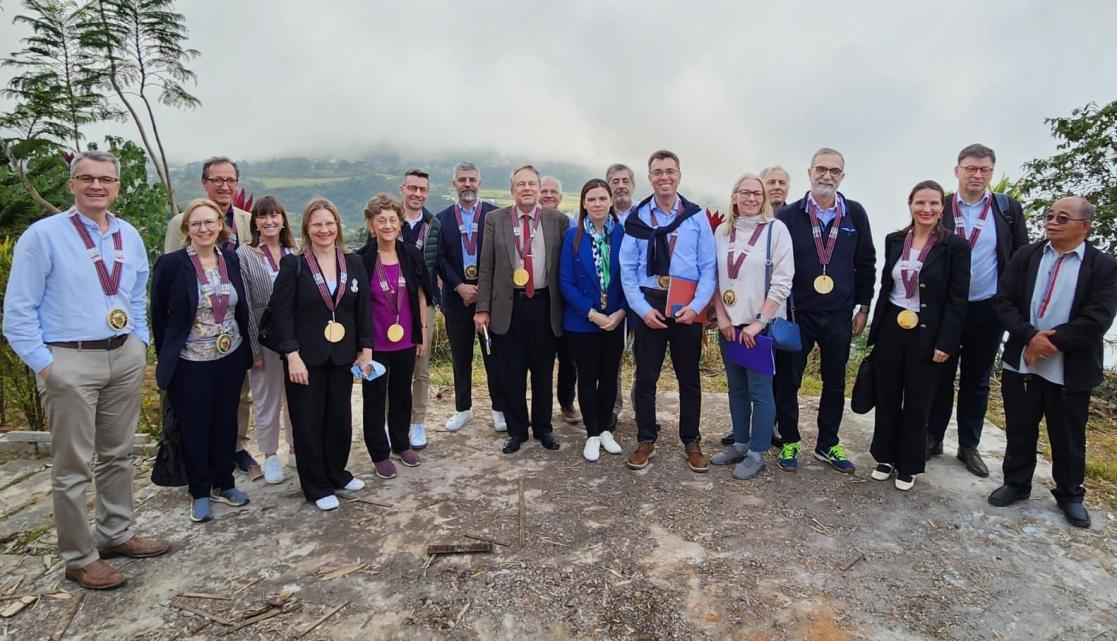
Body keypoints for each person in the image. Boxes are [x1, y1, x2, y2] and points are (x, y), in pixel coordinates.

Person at [3, 150, 169, 590]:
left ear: (117, 185)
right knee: (73, 464)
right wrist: (46, 366)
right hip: (68, 359)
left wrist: (139, 341)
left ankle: (116, 534)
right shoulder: (44, 236)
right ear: (72, 184)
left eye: (106, 179)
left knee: (117, 453)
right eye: (87, 178)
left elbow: (135, 293)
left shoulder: (128, 235)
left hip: (122, 355)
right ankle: (79, 556)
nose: (97, 186)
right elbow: (18, 311)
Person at [989, 197, 1117, 528]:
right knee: (1019, 427)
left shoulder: (1103, 266)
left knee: (1068, 435)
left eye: (1063, 218)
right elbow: (1003, 301)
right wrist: (1030, 336)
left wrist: (1050, 342)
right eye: (1050, 216)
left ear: (1085, 226)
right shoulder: (1027, 254)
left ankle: (1070, 494)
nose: (1053, 222)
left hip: (1069, 368)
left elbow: (1097, 318)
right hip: (1023, 362)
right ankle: (1016, 483)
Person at [927, 144, 1029, 477]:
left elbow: (1021, 258)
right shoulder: (937, 206)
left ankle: (968, 446)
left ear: (991, 173)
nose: (977, 175)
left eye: (984, 170)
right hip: (945, 308)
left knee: (977, 379)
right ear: (957, 170)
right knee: (939, 375)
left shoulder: (1007, 209)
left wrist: (1013, 306)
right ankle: (932, 438)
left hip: (988, 306)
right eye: (971, 168)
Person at [267, 198, 374, 511]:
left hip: (343, 356)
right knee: (308, 421)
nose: (324, 229)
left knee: (339, 417)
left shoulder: (352, 263)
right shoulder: (294, 265)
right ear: (306, 229)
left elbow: (363, 308)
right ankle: (316, 486)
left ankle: (337, 473)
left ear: (337, 226)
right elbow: (282, 314)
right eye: (317, 224)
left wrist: (365, 349)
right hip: (306, 357)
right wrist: (292, 355)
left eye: (329, 223)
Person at [774, 147, 876, 473]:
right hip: (796, 313)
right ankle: (789, 439)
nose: (827, 176)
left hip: (839, 314)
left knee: (834, 382)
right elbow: (774, 265)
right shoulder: (788, 215)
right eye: (821, 169)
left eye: (834, 171)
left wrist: (863, 307)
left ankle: (827, 442)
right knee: (788, 380)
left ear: (842, 176)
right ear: (809, 172)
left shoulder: (855, 214)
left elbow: (866, 263)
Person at [152, 198, 254, 521]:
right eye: (196, 224)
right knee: (196, 426)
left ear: (220, 226)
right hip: (190, 361)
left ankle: (224, 482)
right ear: (186, 229)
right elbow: (159, 316)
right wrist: (166, 357)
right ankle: (199, 490)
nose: (204, 229)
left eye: (210, 222)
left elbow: (240, 306)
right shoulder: (171, 265)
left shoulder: (231, 260)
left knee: (225, 422)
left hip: (229, 355)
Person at [865, 181, 970, 491]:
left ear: (942, 208)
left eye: (934, 204)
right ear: (910, 205)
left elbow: (957, 299)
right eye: (920, 203)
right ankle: (884, 456)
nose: (927, 209)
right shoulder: (895, 240)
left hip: (928, 334)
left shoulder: (955, 247)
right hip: (891, 328)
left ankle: (909, 464)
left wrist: (947, 342)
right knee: (887, 395)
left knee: (918, 399)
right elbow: (888, 285)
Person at [619, 150, 717, 472]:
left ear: (679, 175)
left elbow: (708, 268)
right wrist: (642, 310)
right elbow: (628, 270)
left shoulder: (695, 217)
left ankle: (692, 441)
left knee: (689, 378)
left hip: (686, 305)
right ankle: (646, 439)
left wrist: (696, 307)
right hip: (649, 303)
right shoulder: (637, 217)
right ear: (650, 177)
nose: (664, 177)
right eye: (658, 172)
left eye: (670, 171)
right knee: (645, 378)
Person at [165, 156, 259, 478]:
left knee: (239, 393)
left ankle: (235, 447)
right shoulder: (184, 221)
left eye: (230, 180)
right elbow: (168, 279)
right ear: (204, 183)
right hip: (195, 332)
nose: (224, 186)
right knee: (198, 403)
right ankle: (201, 461)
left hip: (234, 319)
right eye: (217, 180)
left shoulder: (248, 221)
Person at [475, 165, 569, 454]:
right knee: (511, 372)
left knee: (542, 371)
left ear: (540, 189)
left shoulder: (558, 220)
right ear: (512, 190)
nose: (526, 188)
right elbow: (487, 265)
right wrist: (482, 309)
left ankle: (543, 428)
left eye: (531, 184)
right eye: (520, 184)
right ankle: (517, 431)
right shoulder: (495, 219)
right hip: (509, 306)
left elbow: (565, 266)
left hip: (544, 304)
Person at [710, 173, 794, 480]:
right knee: (736, 388)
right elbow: (715, 278)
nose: (751, 198)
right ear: (734, 197)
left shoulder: (776, 230)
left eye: (756, 193)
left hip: (759, 327)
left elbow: (784, 281)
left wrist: (759, 322)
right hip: (730, 326)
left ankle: (757, 453)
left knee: (761, 392)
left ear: (764, 198)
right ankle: (741, 444)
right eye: (744, 193)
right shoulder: (722, 232)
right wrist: (721, 316)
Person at [357, 194, 432, 479]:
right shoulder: (361, 259)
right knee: (375, 396)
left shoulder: (411, 253)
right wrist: (360, 346)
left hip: (405, 340)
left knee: (402, 392)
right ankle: (379, 452)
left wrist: (422, 332)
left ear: (399, 224)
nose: (387, 225)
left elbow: (422, 293)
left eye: (392, 220)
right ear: (372, 225)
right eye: (381, 220)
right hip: (373, 345)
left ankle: (400, 444)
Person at [435, 162, 507, 432]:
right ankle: (463, 409)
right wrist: (458, 286)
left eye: (472, 179)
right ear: (454, 183)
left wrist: (481, 290)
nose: (467, 184)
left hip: (488, 299)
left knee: (493, 356)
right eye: (462, 179)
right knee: (461, 356)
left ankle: (499, 409)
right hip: (456, 299)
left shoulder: (495, 214)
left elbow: (502, 257)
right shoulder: (441, 218)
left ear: (480, 183)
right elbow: (439, 259)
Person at [559, 179, 628, 461]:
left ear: (610, 201)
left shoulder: (624, 234)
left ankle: (605, 431)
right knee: (587, 378)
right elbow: (565, 281)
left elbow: (631, 278)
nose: (597, 204)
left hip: (615, 318)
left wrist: (620, 312)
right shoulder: (573, 236)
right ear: (584, 204)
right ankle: (591, 433)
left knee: (609, 376)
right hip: (583, 319)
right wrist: (591, 313)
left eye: (602, 199)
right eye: (592, 200)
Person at [237, 196, 297, 484]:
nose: (269, 221)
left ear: (283, 219)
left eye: (274, 215)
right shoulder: (245, 254)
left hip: (295, 335)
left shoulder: (295, 251)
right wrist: (253, 349)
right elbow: (245, 305)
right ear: (255, 222)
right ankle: (270, 454)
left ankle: (296, 448)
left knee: (296, 395)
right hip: (263, 334)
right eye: (263, 216)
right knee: (266, 397)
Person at [394, 170, 440, 450]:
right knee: (392, 367)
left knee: (420, 367)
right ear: (402, 189)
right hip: (388, 303)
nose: (417, 193)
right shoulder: (387, 219)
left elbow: (441, 261)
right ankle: (392, 422)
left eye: (422, 189)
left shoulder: (434, 224)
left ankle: (417, 423)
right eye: (412, 188)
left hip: (425, 302)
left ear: (428, 192)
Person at [540, 175, 580, 425]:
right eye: (544, 190)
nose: (548, 195)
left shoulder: (568, 224)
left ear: (561, 197)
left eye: (554, 192)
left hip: (565, 302)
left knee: (568, 358)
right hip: (538, 300)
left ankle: (566, 403)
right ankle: (540, 408)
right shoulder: (527, 223)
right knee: (540, 359)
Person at [605, 162, 638, 429]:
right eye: (614, 181)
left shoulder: (645, 216)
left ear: (633, 185)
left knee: (643, 357)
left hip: (642, 299)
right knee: (612, 358)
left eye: (625, 180)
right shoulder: (601, 216)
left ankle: (642, 409)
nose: (620, 186)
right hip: (612, 298)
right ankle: (612, 407)